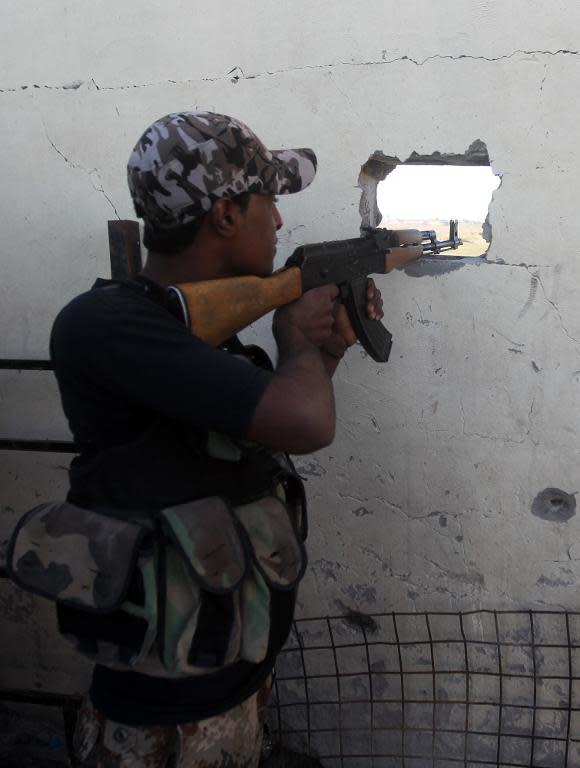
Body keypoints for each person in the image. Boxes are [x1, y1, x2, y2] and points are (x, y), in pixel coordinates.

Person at [49, 111, 421, 767]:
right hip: (159, 723)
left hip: (232, 682)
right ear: (225, 216)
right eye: (270, 200)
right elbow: (306, 425)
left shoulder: (197, 337)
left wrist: (324, 355)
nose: (279, 221)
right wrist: (300, 340)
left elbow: (274, 415)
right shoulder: (106, 325)